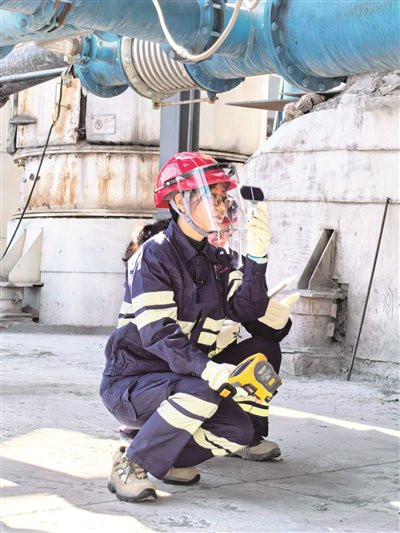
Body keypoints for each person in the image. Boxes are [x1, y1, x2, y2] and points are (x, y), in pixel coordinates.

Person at [100, 151, 286, 503]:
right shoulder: (153, 255)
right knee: (200, 391)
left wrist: (257, 258)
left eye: (223, 198)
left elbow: (247, 308)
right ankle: (131, 462)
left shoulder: (220, 258)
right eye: (211, 197)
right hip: (135, 382)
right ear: (178, 202)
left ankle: (167, 457)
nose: (222, 207)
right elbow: (159, 333)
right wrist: (209, 370)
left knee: (237, 430)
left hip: (185, 377)